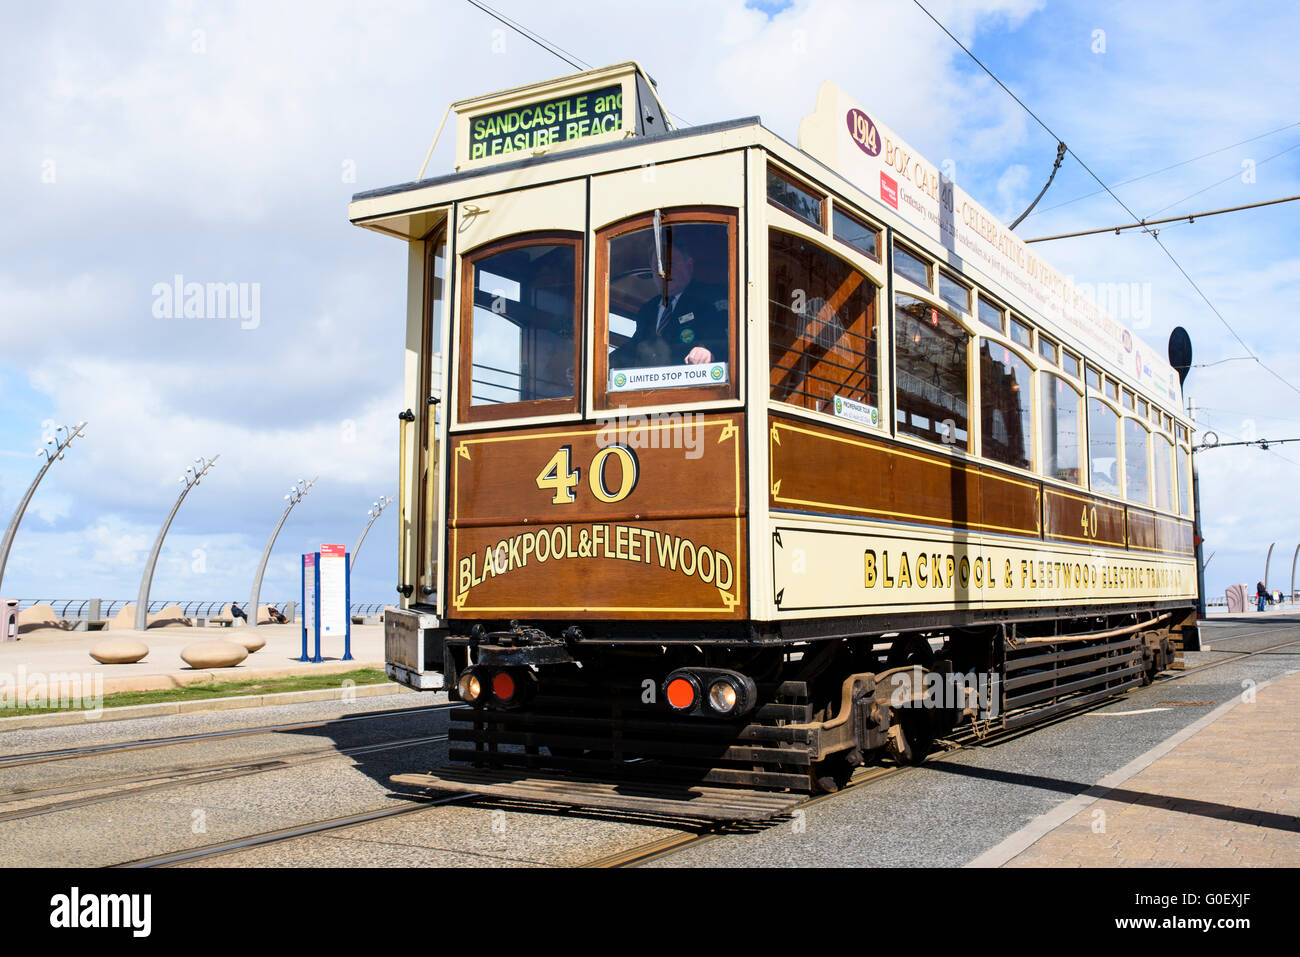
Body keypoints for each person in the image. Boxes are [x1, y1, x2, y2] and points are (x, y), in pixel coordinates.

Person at [611, 237, 728, 370]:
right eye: (658, 267)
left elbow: (724, 341)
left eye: (670, 265)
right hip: (649, 386)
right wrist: (606, 364)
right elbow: (635, 346)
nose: (663, 273)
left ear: (688, 266)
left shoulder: (710, 297)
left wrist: (707, 351)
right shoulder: (647, 310)